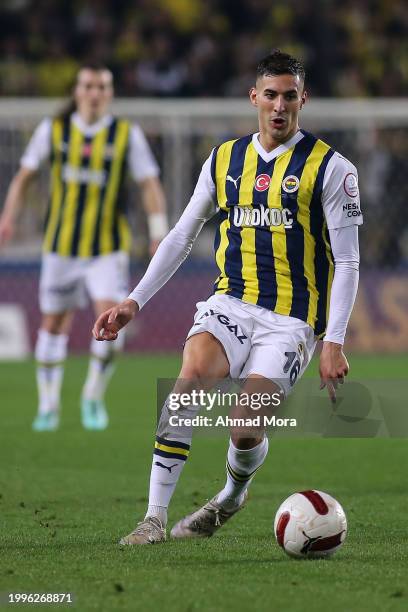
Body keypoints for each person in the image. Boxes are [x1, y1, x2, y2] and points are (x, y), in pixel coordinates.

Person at [93, 50, 362, 544]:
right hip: (230, 303)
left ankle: (234, 494)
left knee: (243, 427)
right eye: (270, 95)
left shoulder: (331, 169)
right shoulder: (224, 160)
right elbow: (181, 233)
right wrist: (133, 301)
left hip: (291, 319)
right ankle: (153, 517)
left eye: (289, 96)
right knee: (188, 382)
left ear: (304, 99)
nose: (279, 106)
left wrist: (334, 341)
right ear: (254, 97)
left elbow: (346, 261)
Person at [0, 64, 167, 431]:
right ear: (77, 92)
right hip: (61, 247)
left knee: (109, 323)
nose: (95, 93)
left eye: (103, 87)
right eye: (89, 86)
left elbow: (150, 184)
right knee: (53, 325)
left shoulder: (126, 135)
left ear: (109, 94)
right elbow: (24, 176)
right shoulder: (54, 130)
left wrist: (158, 230)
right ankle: (48, 406)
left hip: (107, 248)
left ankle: (92, 396)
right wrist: (7, 218)